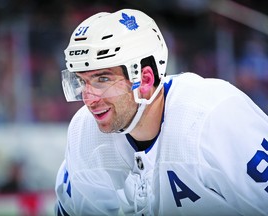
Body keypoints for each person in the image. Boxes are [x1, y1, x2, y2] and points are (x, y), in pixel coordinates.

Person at [55, 8, 268, 216]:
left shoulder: (213, 116)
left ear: (145, 80)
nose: (88, 99)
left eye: (103, 79)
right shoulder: (83, 133)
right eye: (82, 81)